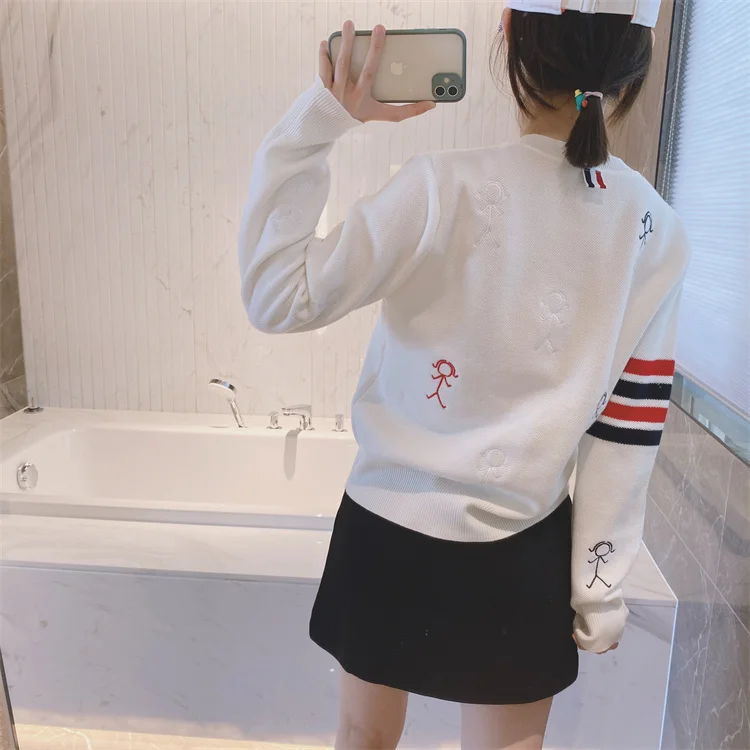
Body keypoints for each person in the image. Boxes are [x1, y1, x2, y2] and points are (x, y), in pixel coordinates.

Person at [238, 0, 688, 747]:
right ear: (633, 62)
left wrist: (322, 119)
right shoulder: (655, 232)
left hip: (383, 532)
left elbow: (276, 295)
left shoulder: (439, 188)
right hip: (523, 549)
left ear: (507, 33)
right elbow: (626, 428)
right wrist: (598, 591)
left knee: (362, 736)